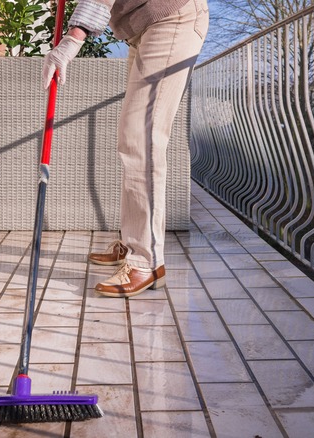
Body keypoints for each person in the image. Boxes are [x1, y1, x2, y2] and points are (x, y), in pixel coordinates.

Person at [42, 0, 209, 298]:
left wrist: (73, 37)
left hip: (171, 17)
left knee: (141, 137)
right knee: (134, 137)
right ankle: (134, 241)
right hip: (140, 27)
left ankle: (146, 261)